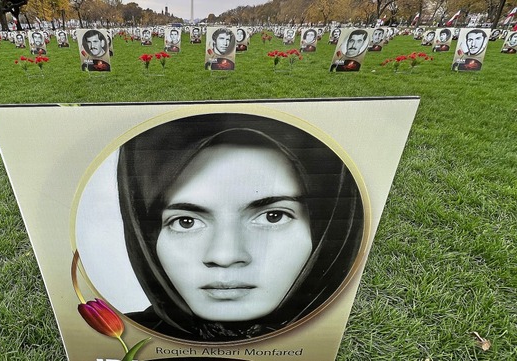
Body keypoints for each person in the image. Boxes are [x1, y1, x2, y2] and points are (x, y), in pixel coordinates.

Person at [117, 114, 364, 341]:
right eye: (186, 221)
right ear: (146, 236)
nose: (225, 256)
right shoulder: (115, 337)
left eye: (273, 216)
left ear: (328, 228)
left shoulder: (347, 337)